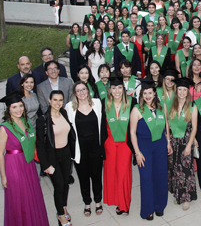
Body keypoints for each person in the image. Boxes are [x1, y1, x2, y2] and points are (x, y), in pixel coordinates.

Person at [0, 91, 49, 226]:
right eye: (14, 107)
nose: (18, 109)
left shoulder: (26, 122)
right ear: (8, 109)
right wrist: (3, 176)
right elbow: (0, 153)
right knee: (20, 197)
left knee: (32, 195)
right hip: (14, 165)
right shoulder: (4, 128)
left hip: (28, 163)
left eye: (20, 106)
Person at [130, 79, 171, 220]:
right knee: (147, 179)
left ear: (155, 93)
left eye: (150, 93)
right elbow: (132, 133)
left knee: (160, 176)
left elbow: (166, 125)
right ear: (141, 95)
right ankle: (148, 209)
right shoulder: (136, 110)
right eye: (144, 93)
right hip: (144, 148)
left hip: (160, 145)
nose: (147, 96)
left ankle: (160, 206)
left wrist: (169, 142)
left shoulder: (162, 107)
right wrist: (137, 153)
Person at [36, 90, 76, 226]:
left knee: (65, 184)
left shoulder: (63, 114)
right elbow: (40, 145)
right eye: (55, 100)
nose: (58, 103)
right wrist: (45, 165)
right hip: (52, 157)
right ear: (49, 100)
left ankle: (63, 206)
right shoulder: (42, 120)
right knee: (58, 186)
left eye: (60, 100)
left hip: (66, 154)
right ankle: (60, 215)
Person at [65, 82, 104, 217]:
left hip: (96, 147)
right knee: (83, 178)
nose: (81, 93)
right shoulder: (69, 107)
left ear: (88, 91)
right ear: (75, 93)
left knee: (97, 176)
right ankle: (87, 203)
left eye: (83, 89)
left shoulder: (97, 103)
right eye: (78, 91)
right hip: (79, 149)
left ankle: (98, 201)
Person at [102, 77, 137, 215]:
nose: (117, 91)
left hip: (125, 144)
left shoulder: (132, 102)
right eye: (114, 88)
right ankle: (116, 199)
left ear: (124, 89)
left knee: (123, 174)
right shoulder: (104, 103)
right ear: (109, 90)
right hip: (109, 144)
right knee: (112, 173)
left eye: (120, 88)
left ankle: (124, 204)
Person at [168, 77, 198, 210]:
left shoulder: (192, 106)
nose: (181, 92)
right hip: (173, 140)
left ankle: (186, 197)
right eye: (179, 89)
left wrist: (189, 145)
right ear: (176, 91)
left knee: (186, 169)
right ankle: (177, 193)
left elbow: (195, 128)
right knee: (174, 168)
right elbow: (167, 125)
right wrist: (168, 142)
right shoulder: (171, 106)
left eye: (184, 90)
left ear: (188, 91)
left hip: (186, 140)